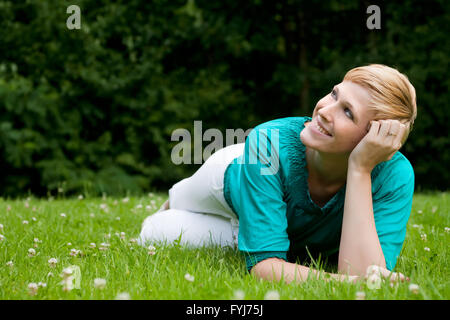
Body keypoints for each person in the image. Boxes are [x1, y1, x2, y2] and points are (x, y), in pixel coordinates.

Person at [138, 64, 417, 284]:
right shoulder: (267, 141)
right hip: (231, 175)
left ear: (374, 139)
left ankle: (251, 227)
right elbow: (265, 266)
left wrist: (360, 168)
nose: (324, 111)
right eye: (334, 94)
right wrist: (345, 284)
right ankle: (172, 204)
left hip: (269, 215)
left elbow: (366, 273)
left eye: (347, 112)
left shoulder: (395, 175)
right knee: (156, 229)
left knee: (199, 235)